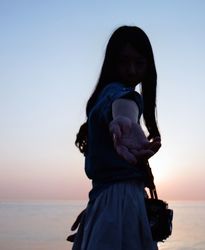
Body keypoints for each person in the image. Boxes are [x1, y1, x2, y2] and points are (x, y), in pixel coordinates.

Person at [72, 25, 161, 250]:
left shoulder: (104, 99)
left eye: (139, 63)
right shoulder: (116, 93)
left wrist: (99, 209)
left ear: (148, 66)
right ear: (111, 63)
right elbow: (123, 104)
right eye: (123, 61)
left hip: (108, 203)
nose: (131, 70)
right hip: (121, 207)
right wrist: (124, 120)